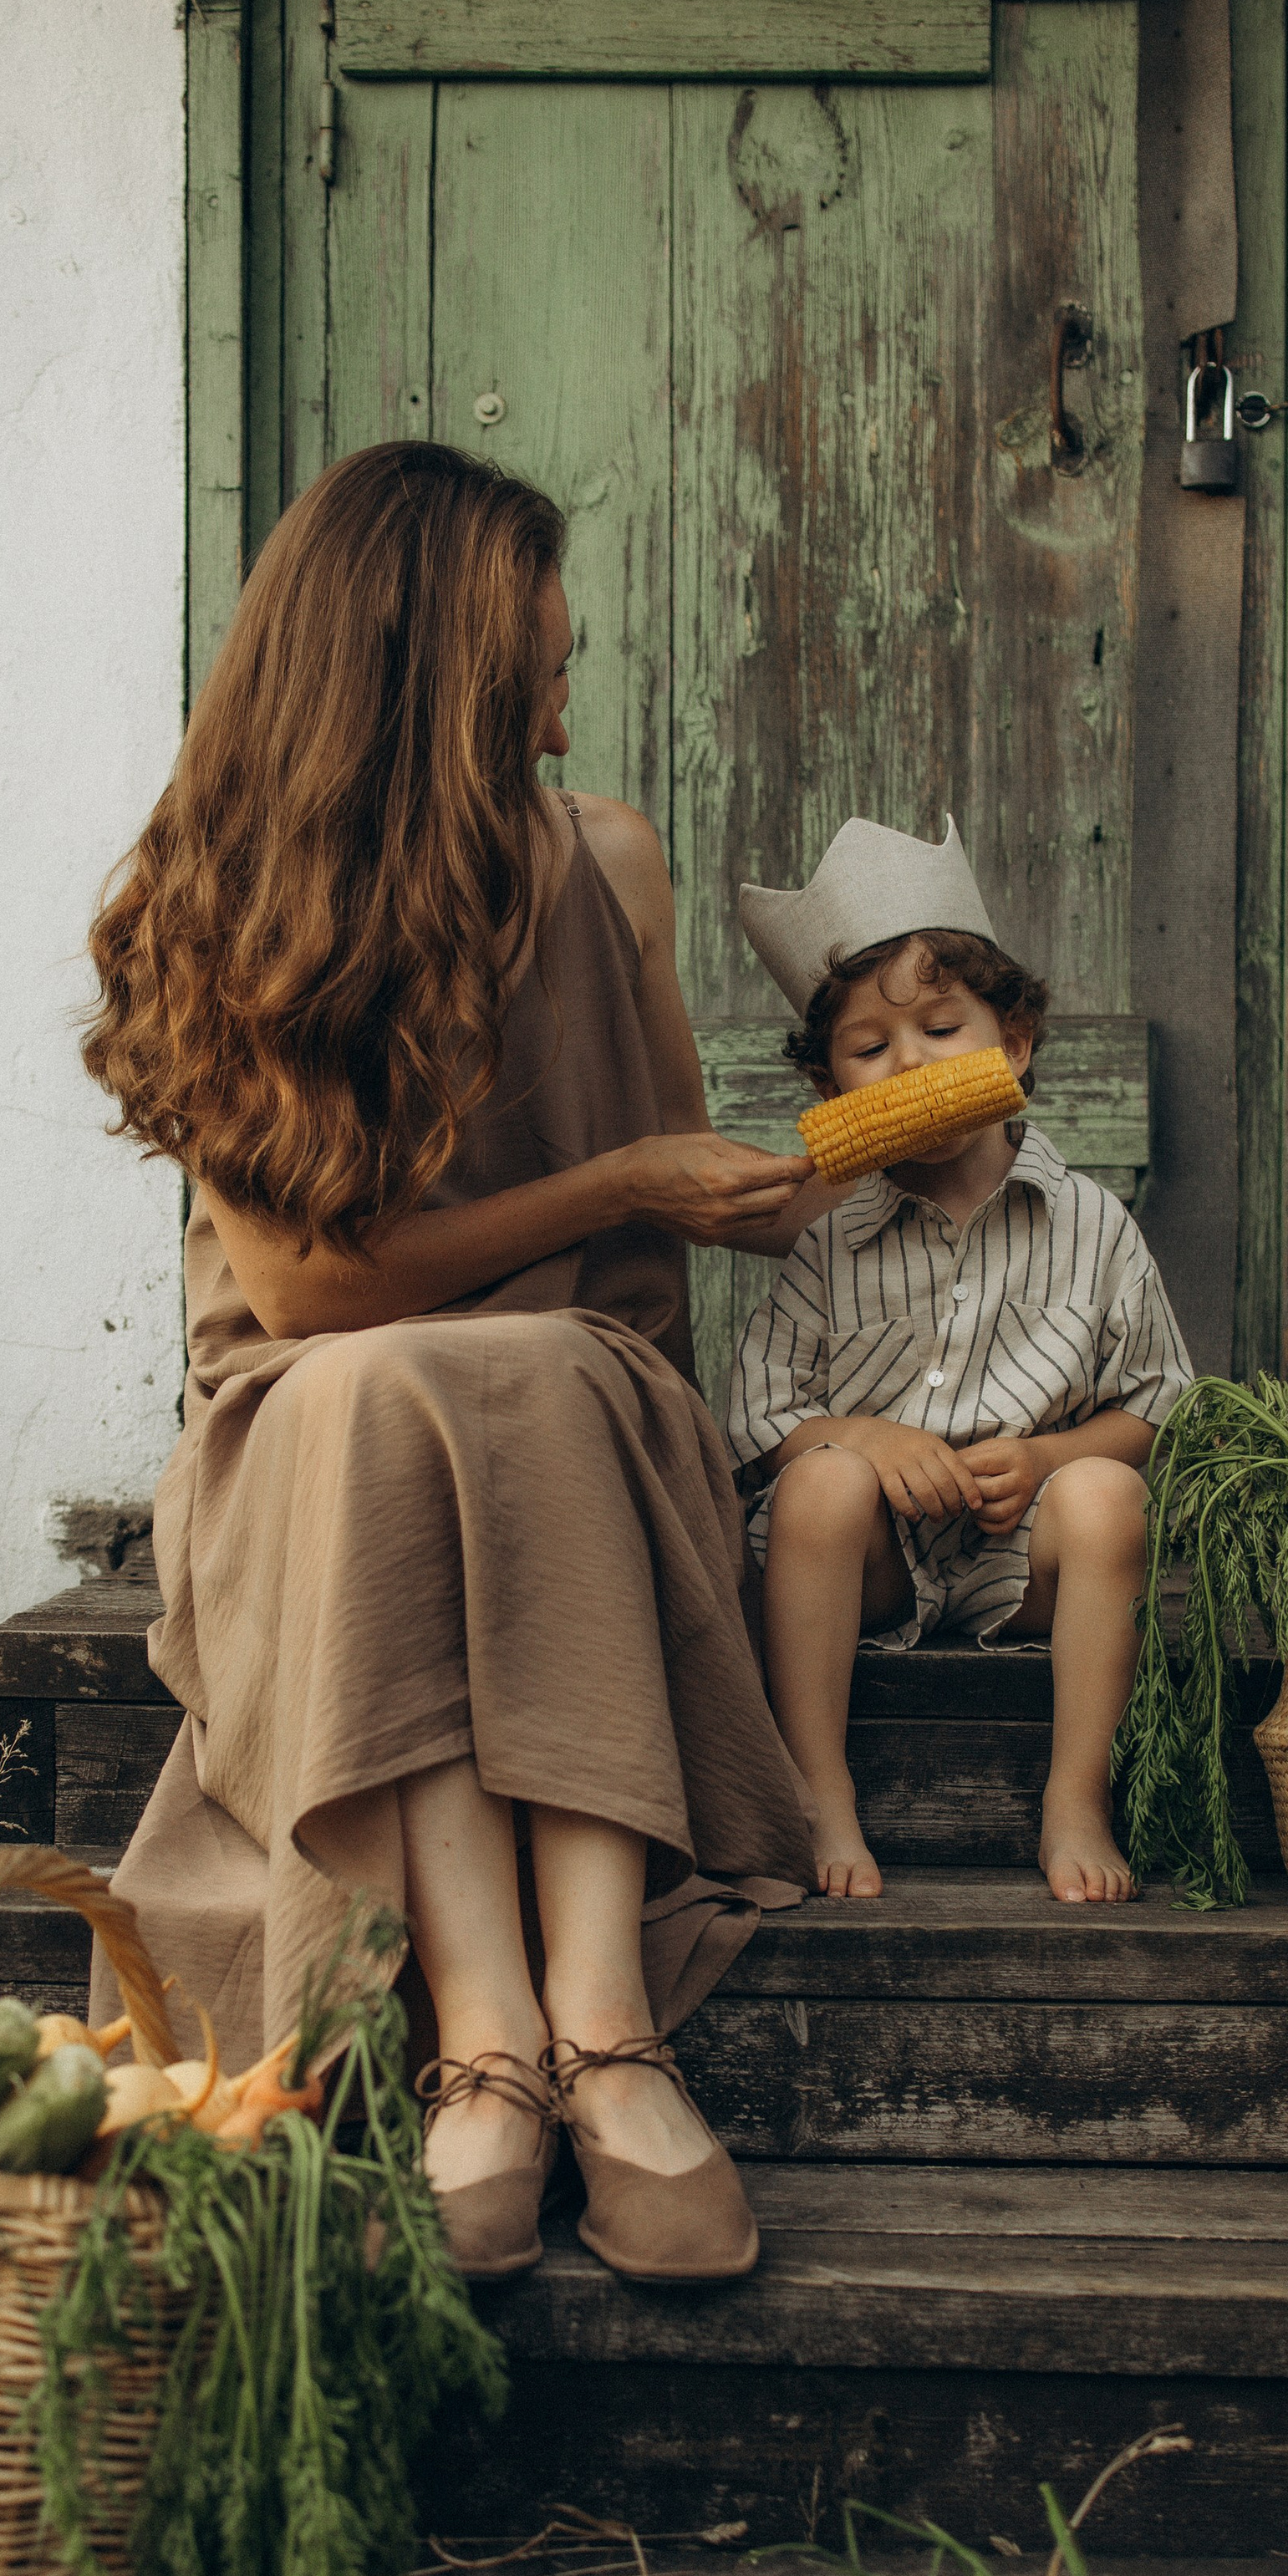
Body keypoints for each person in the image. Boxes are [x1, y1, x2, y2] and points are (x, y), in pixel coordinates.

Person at [81, 443, 817, 2286]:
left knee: (528, 1375)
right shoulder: (226, 887)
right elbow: (310, 1301)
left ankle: (568, 2030)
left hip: (590, 1417)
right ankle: (513, 2033)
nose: (570, 715)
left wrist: (741, 1186)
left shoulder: (610, 862)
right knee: (395, 1390)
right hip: (302, 1445)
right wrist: (617, 1176)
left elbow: (653, 1245)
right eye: (542, 681)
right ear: (445, 682)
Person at [727, 816, 1193, 1908]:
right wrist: (869, 1438)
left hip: (1016, 1560)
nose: (912, 1063)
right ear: (831, 1089)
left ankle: (1076, 1793)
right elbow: (759, 1420)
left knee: (1110, 1496)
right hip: (867, 1562)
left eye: (943, 1027)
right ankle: (819, 1785)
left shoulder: (1090, 1224)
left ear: (1014, 1043)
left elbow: (1157, 1410)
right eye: (872, 1049)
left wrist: (1044, 1457)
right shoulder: (828, 1239)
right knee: (822, 1479)